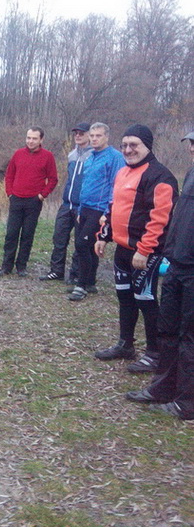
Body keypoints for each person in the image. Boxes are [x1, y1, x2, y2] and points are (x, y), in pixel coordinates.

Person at [92, 125, 177, 368]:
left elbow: (161, 219)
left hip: (145, 252)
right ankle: (125, 344)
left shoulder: (160, 177)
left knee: (145, 300)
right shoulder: (123, 172)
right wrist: (103, 235)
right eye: (124, 145)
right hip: (123, 249)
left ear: (147, 146)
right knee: (125, 297)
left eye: (134, 145)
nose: (128, 150)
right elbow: (114, 207)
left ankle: (155, 353)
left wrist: (145, 249)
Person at [125, 131, 194, 419]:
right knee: (168, 330)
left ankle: (187, 402)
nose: (191, 148)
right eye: (191, 143)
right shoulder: (190, 174)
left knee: (189, 336)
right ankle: (164, 387)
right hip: (177, 264)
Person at [67, 123, 126, 301]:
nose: (94, 139)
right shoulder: (90, 156)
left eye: (98, 136)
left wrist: (107, 213)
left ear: (106, 136)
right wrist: (80, 209)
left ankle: (81, 285)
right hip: (85, 207)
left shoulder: (115, 157)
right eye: (92, 135)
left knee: (82, 244)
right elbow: (86, 184)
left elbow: (116, 186)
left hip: (99, 209)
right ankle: (90, 282)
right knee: (90, 247)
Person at [0, 127, 58, 277]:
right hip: (16, 199)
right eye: (28, 138)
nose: (30, 141)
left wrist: (42, 195)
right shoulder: (18, 154)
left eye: (34, 138)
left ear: (41, 140)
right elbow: (9, 175)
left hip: (34, 201)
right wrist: (10, 193)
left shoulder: (47, 156)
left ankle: (21, 266)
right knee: (11, 233)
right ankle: (6, 266)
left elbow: (53, 179)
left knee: (27, 234)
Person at [39, 122, 93, 282]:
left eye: (81, 133)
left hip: (82, 206)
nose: (78, 136)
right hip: (66, 203)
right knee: (59, 238)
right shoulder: (72, 154)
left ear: (89, 135)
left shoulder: (93, 155)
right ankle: (56, 271)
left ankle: (75, 275)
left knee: (80, 242)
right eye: (76, 133)